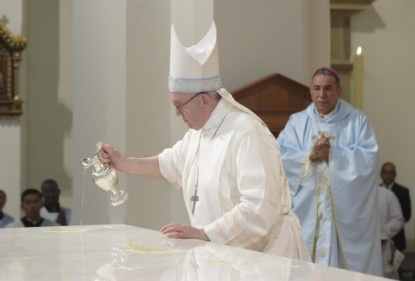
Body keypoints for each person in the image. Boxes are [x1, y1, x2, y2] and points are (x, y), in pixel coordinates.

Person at [98, 21, 310, 261]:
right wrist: (122, 162)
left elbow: (259, 208)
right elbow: (169, 164)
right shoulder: (199, 134)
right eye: (174, 105)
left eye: (180, 106)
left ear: (205, 101)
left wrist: (204, 233)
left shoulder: (246, 133)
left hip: (267, 260)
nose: (177, 114)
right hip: (225, 258)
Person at [277, 67, 382, 275]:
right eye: (316, 89)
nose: (321, 95)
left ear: (339, 92)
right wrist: (309, 155)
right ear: (310, 91)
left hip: (341, 217)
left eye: (328, 89)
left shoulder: (357, 122)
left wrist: (333, 155)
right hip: (307, 213)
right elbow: (280, 157)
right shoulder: (297, 122)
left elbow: (368, 159)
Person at [380, 162, 411, 252]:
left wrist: (390, 228)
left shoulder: (403, 191)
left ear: (395, 175)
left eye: (391, 173)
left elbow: (406, 215)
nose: (388, 175)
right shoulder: (375, 191)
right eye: (385, 172)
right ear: (381, 174)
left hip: (397, 237)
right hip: (378, 238)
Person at [378, 185, 405, 279]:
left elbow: (398, 220)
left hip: (383, 249)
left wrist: (381, 233)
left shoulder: (387, 195)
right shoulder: (353, 194)